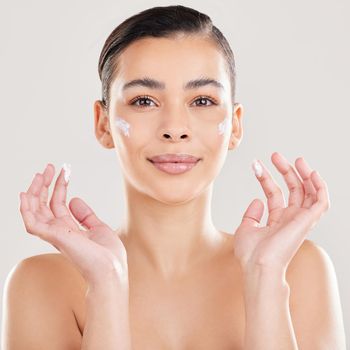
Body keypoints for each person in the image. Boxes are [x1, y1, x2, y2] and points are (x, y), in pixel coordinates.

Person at [2, 4, 346, 350]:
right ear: (103, 123)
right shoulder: (42, 284)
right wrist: (105, 286)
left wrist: (266, 278)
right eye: (144, 101)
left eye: (202, 101)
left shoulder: (297, 270)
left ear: (235, 125)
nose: (175, 129)